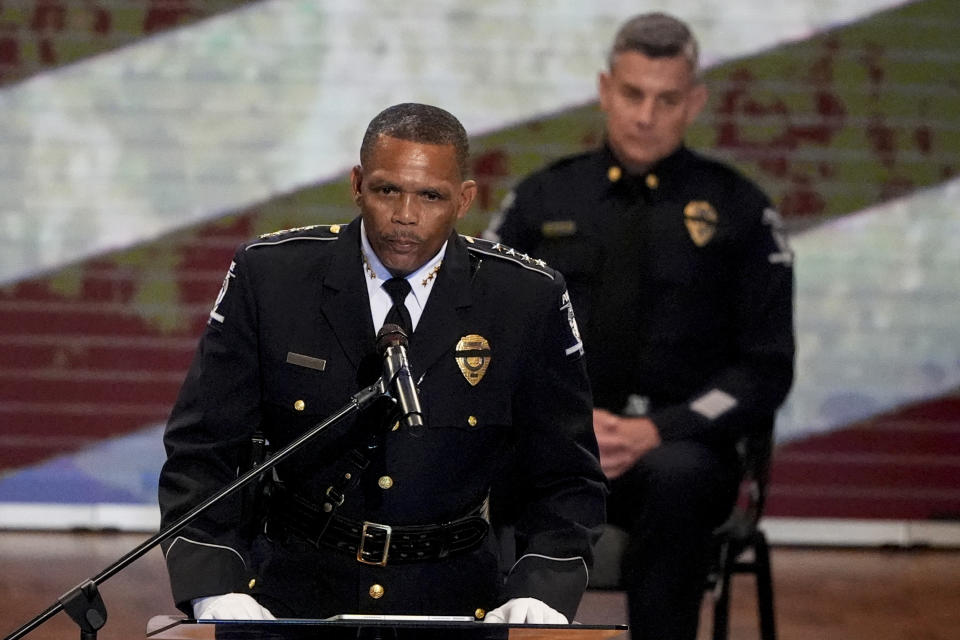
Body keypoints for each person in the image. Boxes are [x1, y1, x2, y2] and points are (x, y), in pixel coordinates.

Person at [158, 103, 606, 624]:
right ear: (356, 184)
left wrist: (541, 590)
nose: (406, 216)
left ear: (465, 199)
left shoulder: (524, 298)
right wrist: (214, 587)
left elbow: (566, 478)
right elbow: (202, 450)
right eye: (387, 190)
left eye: (430, 196)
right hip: (287, 597)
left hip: (459, 603)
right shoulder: (271, 278)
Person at [486, 13, 795, 640]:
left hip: (679, 451)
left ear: (696, 102)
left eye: (667, 98)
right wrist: (562, 422)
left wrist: (661, 428)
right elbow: (486, 336)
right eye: (632, 94)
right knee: (479, 473)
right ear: (605, 89)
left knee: (677, 479)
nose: (646, 115)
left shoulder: (740, 210)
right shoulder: (542, 200)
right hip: (557, 444)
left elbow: (764, 368)